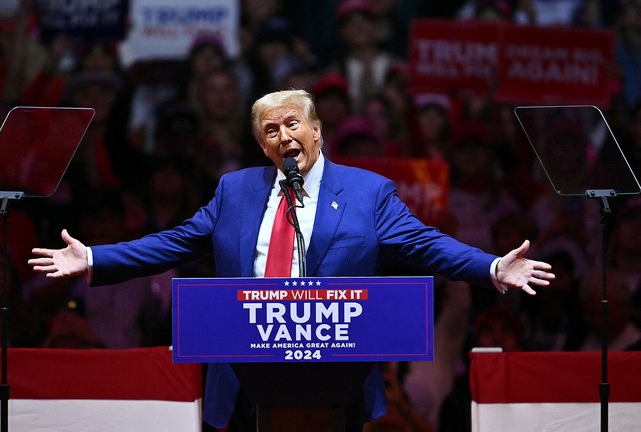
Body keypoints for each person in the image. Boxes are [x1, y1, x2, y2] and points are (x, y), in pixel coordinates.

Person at [29, 89, 555, 431]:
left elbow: (425, 242)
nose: (284, 136)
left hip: (337, 376)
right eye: (270, 131)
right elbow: (175, 241)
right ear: (262, 146)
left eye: (292, 124)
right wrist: (95, 259)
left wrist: (491, 268)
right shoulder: (234, 192)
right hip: (244, 376)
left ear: (317, 130)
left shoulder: (367, 193)